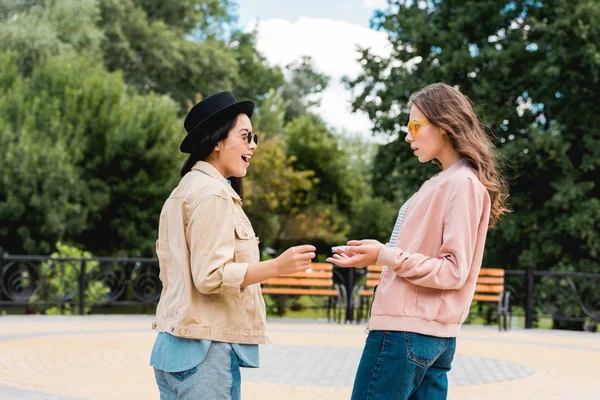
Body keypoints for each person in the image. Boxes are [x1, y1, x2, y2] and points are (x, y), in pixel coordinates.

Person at [328, 83, 509, 400]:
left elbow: (453, 270)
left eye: (415, 125)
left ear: (444, 125)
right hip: (427, 334)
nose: (408, 136)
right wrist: (376, 255)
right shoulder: (448, 181)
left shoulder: (461, 183)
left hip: (406, 332)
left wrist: (386, 256)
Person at [150, 91, 316, 400]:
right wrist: (277, 267)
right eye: (245, 136)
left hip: (174, 350)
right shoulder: (212, 195)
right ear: (216, 141)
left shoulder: (184, 190)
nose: (253, 145)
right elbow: (210, 276)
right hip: (205, 354)